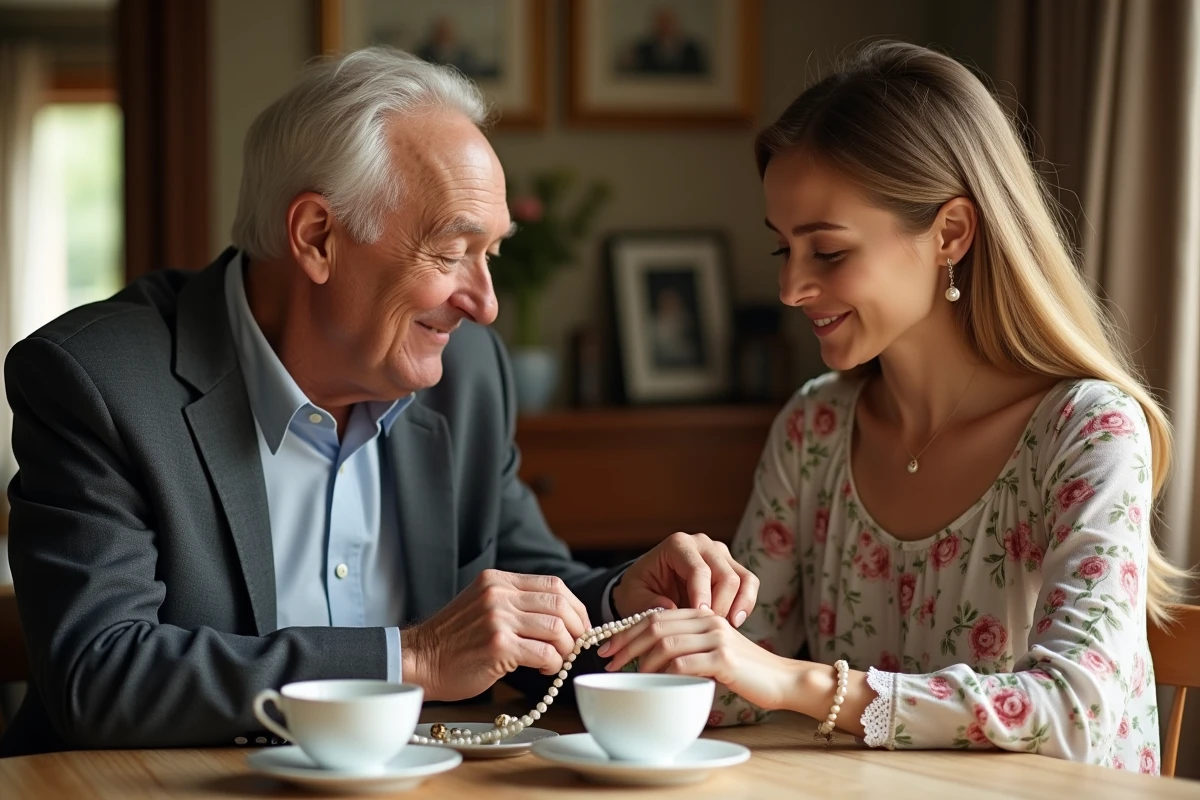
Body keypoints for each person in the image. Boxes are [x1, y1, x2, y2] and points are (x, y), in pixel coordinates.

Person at [0, 48, 757, 757]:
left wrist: (622, 596)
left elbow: (517, 584)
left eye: (492, 254)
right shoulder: (98, 381)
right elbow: (97, 674)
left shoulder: (467, 374)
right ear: (318, 236)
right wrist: (414, 657)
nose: (487, 305)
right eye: (454, 252)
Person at [599, 41, 1190, 773]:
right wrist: (662, 630)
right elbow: (740, 688)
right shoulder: (815, 428)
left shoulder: (1088, 432)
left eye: (830, 252)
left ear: (950, 234)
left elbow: (1075, 714)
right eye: (784, 249)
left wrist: (798, 682)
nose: (790, 289)